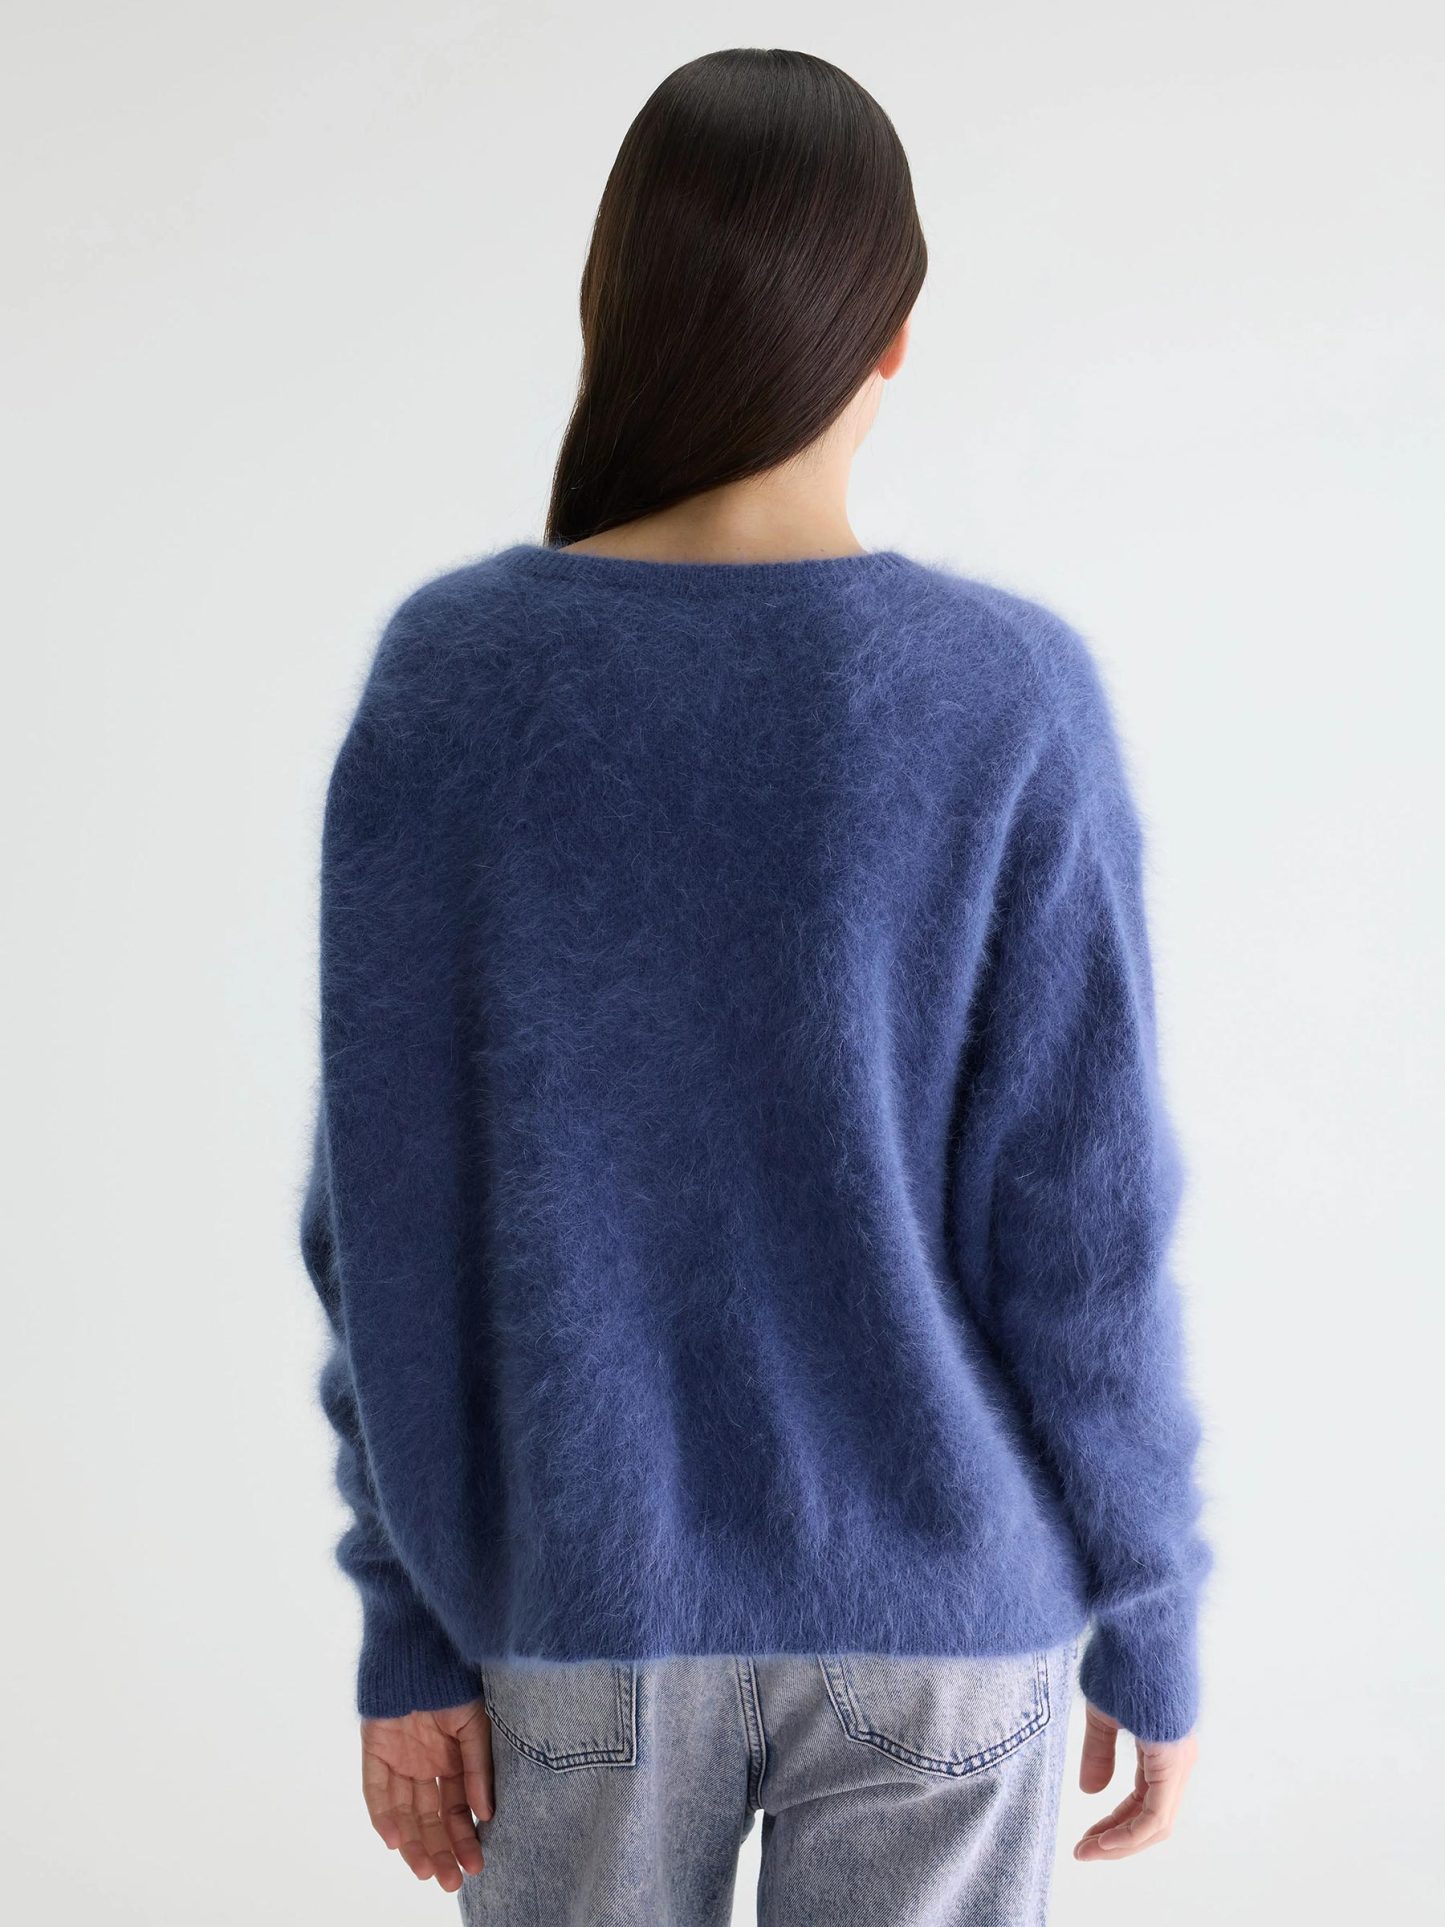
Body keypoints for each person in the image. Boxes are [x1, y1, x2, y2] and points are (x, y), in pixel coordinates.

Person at [298, 46, 1212, 1926]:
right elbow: (1081, 1229)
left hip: (575, 1612)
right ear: (889, 339)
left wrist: (407, 1621)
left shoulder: (454, 678)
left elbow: (383, 1221)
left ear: (613, 317)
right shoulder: (1004, 696)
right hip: (947, 1612)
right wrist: (1151, 1609)